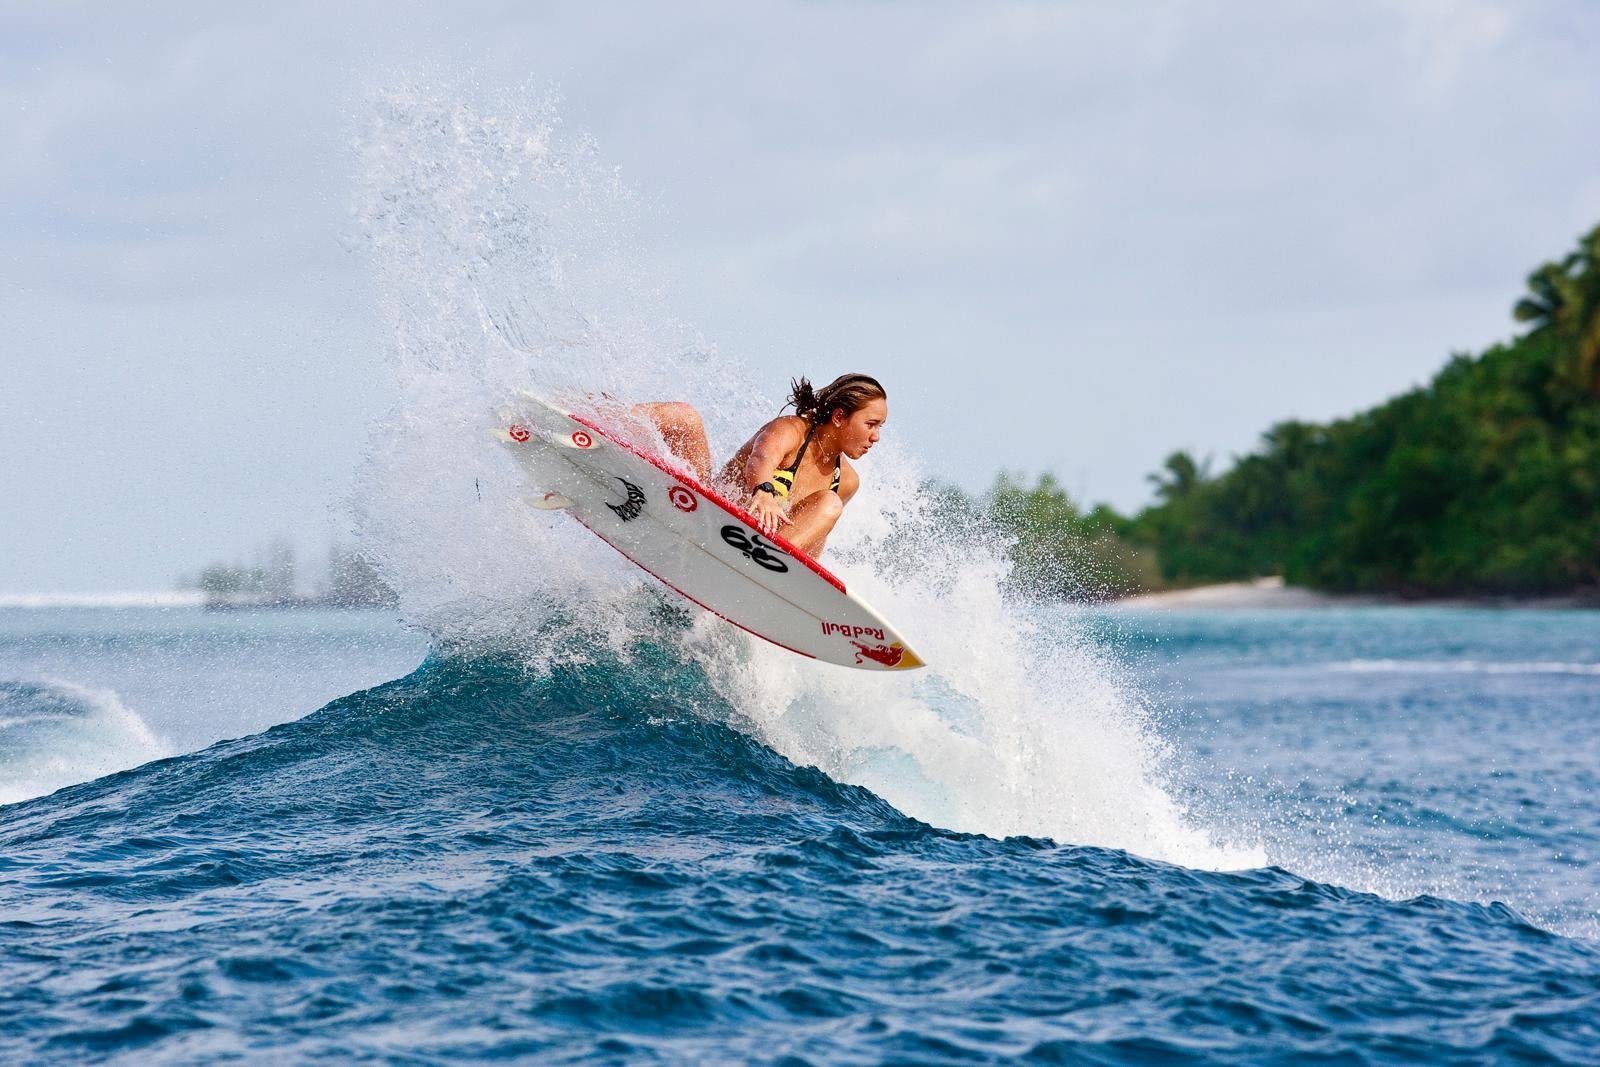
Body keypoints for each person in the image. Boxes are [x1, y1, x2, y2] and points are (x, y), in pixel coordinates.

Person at [632, 373, 888, 558]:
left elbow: (815, 540)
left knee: (829, 504)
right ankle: (598, 418)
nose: (876, 437)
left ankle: (766, 563)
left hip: (754, 558)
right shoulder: (791, 430)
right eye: (871, 424)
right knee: (684, 416)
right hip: (704, 515)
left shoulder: (846, 481)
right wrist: (764, 492)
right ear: (840, 417)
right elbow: (761, 458)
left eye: (879, 427)